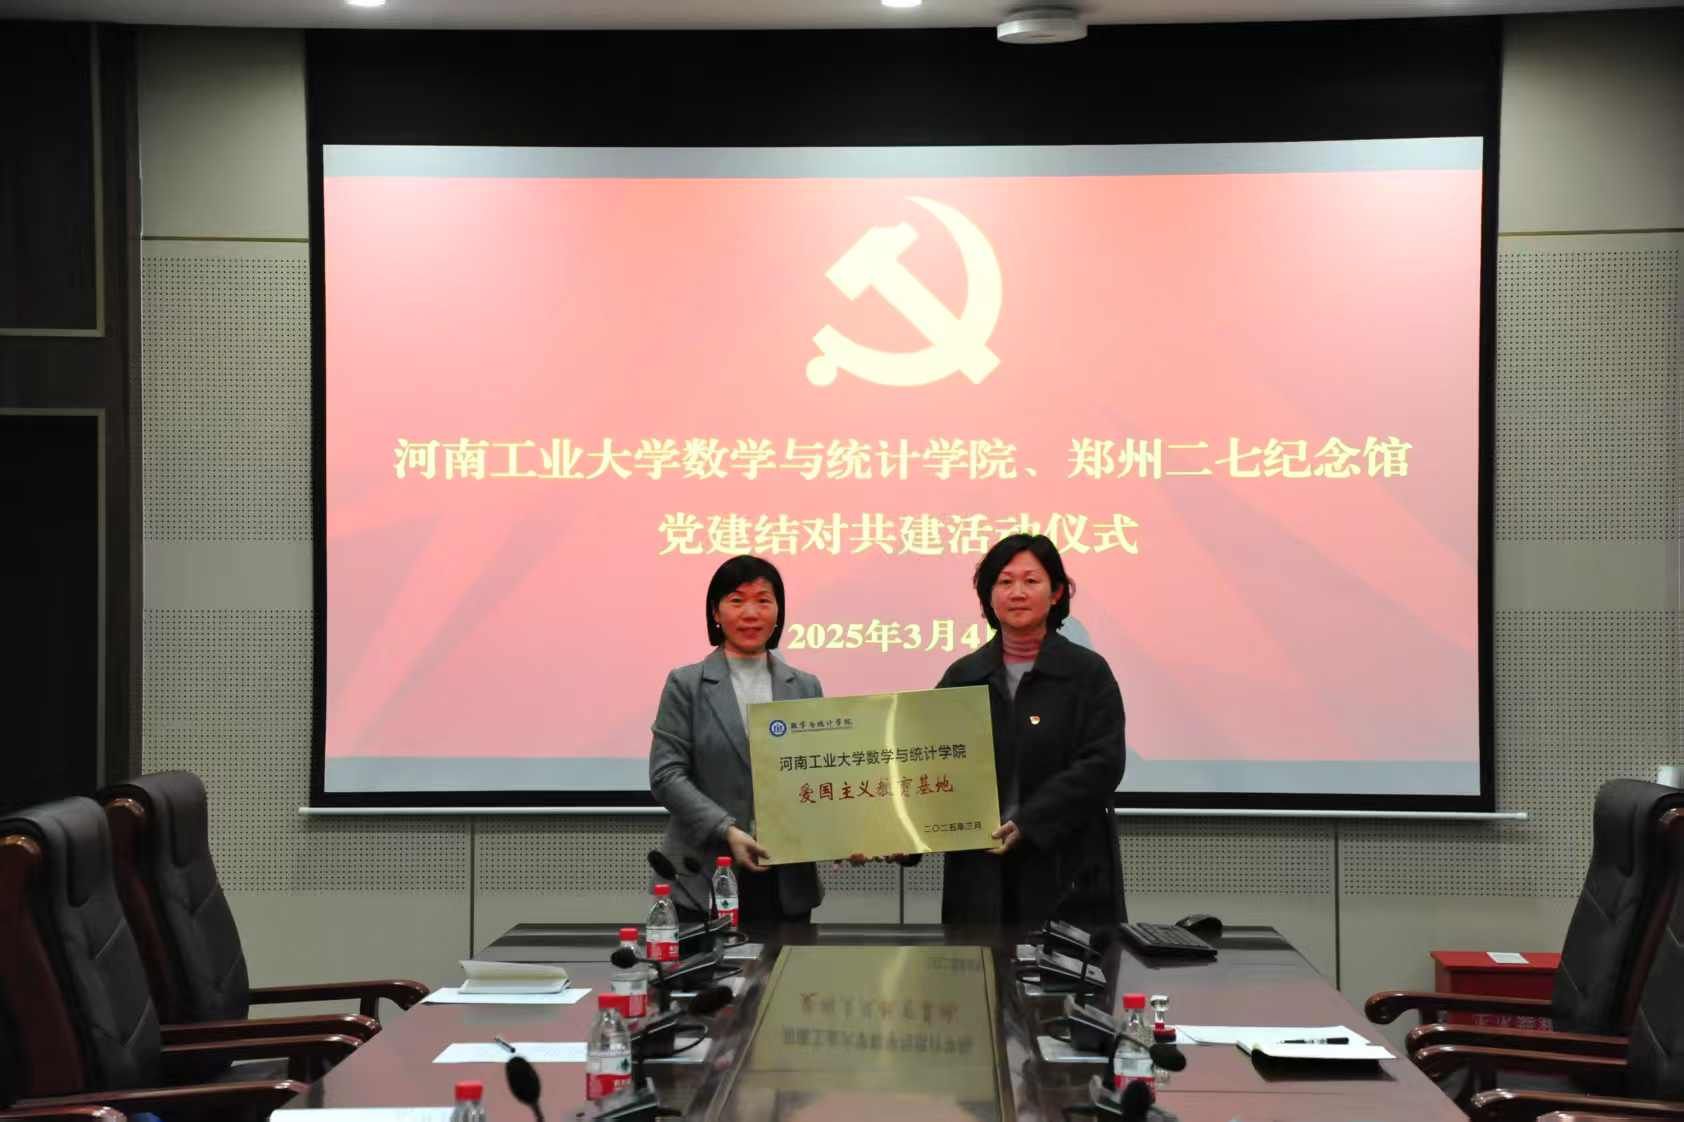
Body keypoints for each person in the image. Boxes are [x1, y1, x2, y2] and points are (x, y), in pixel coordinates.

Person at [934, 533, 1127, 929]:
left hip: (1065, 871)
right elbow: (928, 761)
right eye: (1004, 582)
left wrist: (1030, 821)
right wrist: (896, 836)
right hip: (981, 879)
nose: (1017, 593)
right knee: (978, 969)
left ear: (1056, 593)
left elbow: (1103, 764)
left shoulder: (1087, 673)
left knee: (1065, 969)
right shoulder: (964, 676)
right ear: (988, 596)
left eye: (1031, 581)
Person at [649, 555, 825, 926]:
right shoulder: (686, 684)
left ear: (778, 612)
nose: (751, 613)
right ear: (716, 612)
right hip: (703, 875)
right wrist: (726, 829)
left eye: (763, 600)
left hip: (786, 881)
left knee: (786, 967)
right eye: (736, 600)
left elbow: (819, 773)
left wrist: (844, 833)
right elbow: (666, 775)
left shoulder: (805, 686)